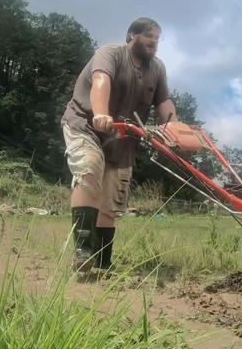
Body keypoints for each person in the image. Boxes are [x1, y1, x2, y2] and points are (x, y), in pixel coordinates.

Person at [60, 17, 177, 272]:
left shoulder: (157, 68)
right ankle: (82, 252)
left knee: (113, 196)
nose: (154, 43)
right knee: (90, 168)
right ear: (132, 35)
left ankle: (102, 262)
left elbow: (164, 102)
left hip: (124, 138)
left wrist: (174, 128)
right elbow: (101, 81)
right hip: (87, 125)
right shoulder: (110, 53)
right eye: (149, 37)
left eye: (157, 39)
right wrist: (101, 113)